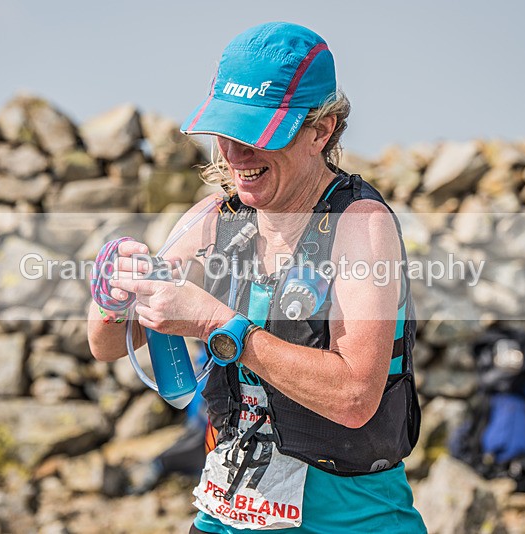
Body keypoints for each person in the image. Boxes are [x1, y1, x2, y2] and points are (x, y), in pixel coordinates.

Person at [88, 22, 425, 533]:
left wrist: (216, 326)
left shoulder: (360, 226)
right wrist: (116, 294)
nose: (235, 153)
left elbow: (355, 398)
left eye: (256, 134)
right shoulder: (211, 220)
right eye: (227, 131)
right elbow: (108, 346)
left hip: (350, 519)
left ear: (321, 130)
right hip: (227, 512)